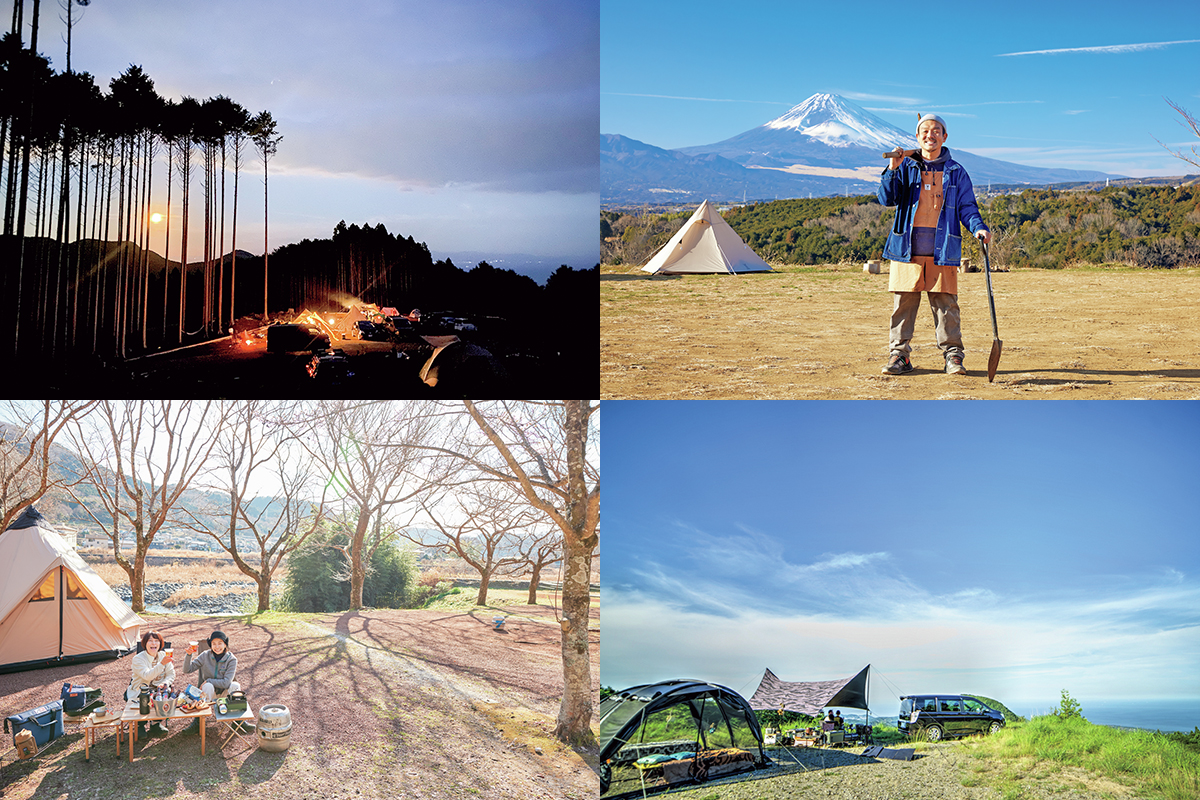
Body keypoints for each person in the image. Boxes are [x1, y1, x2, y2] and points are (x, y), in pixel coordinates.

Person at [878, 113, 991, 376]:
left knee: (946, 306)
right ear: (917, 137)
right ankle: (900, 356)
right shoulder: (905, 166)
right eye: (925, 131)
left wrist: (979, 228)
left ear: (945, 136)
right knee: (903, 306)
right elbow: (886, 198)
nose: (931, 135)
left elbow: (967, 207)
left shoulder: (956, 172)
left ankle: (953, 357)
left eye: (936, 131)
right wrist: (893, 168)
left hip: (943, 250)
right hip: (906, 249)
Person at [181, 631, 242, 733]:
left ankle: (238, 721)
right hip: (209, 694)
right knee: (207, 686)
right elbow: (187, 670)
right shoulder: (205, 655)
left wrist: (208, 680)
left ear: (225, 644)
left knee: (235, 685)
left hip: (225, 693)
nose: (217, 646)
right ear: (210, 645)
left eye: (220, 643)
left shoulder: (231, 659)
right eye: (214, 644)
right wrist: (188, 655)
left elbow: (226, 683)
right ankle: (198, 721)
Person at [127, 630, 175, 736]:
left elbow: (171, 674)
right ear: (145, 644)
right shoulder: (138, 659)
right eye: (150, 641)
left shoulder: (164, 655)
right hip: (141, 689)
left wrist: (164, 683)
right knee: (144, 699)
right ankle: (140, 725)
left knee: (165, 696)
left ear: (160, 643)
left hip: (158, 689)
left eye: (156, 641)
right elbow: (147, 675)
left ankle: (155, 724)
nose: (153, 644)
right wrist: (162, 664)